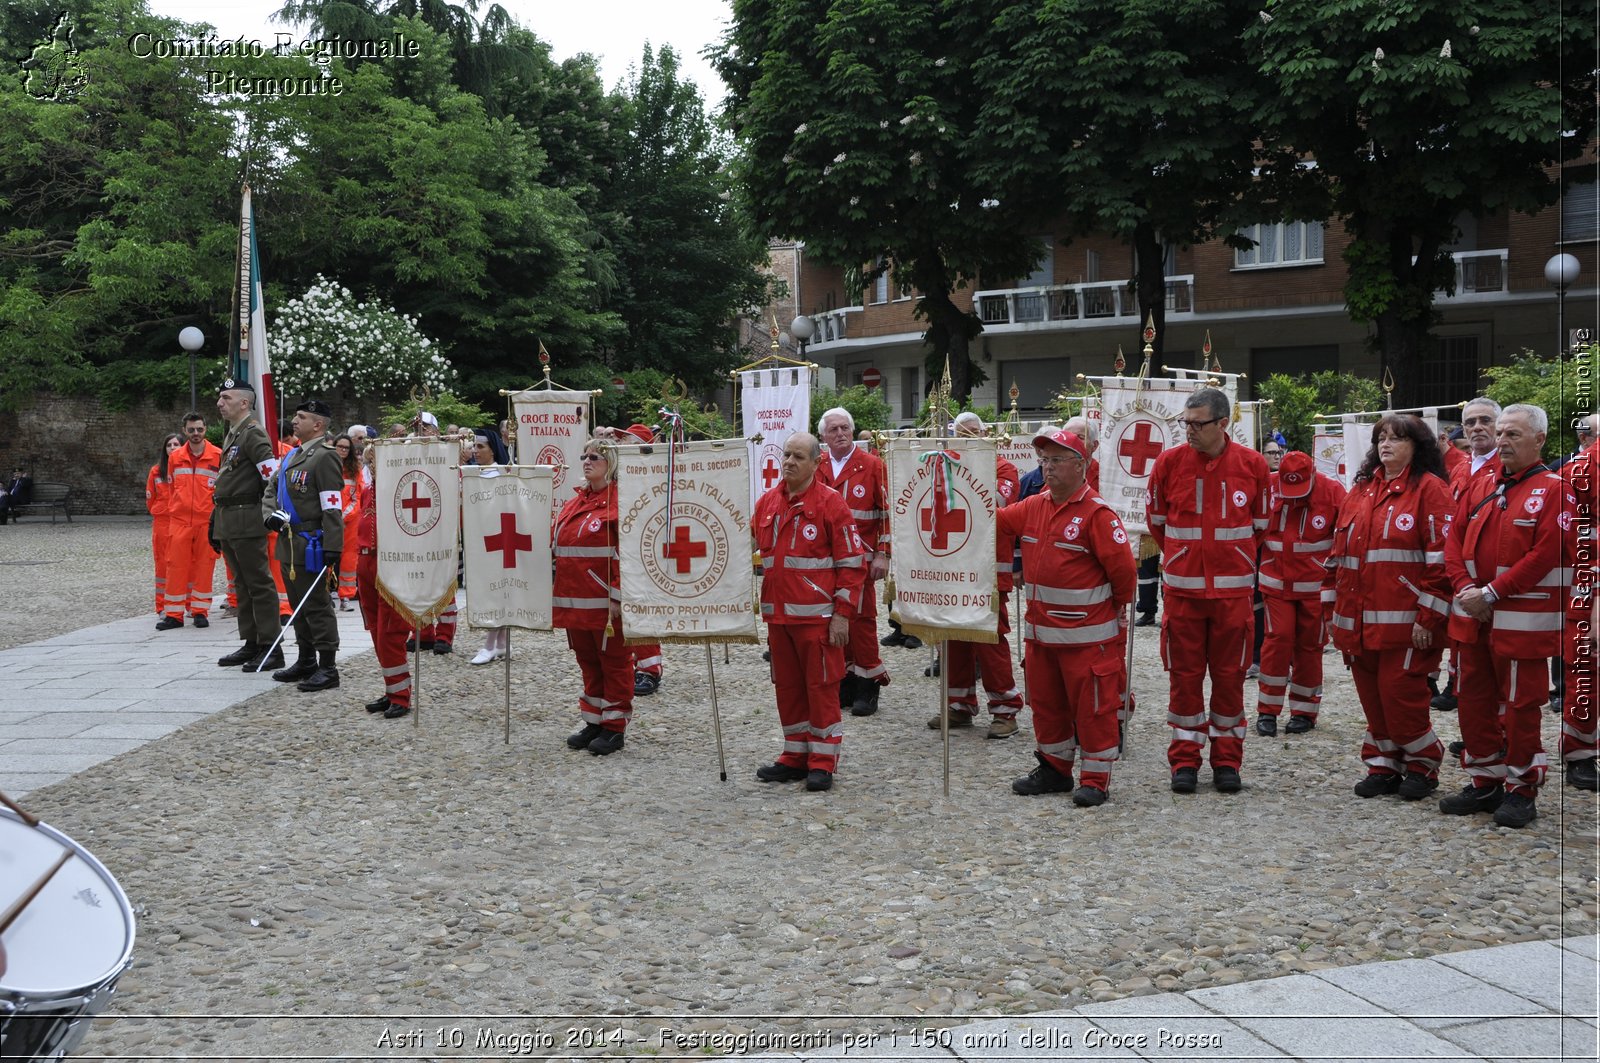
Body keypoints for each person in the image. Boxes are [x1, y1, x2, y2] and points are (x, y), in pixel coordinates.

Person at [1442, 404, 1573, 827]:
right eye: (1499, 434)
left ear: (1539, 440)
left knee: (1521, 707)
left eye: (1512, 435)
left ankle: (1521, 788)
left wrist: (1493, 593)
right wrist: (1464, 588)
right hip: (1473, 616)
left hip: (1519, 621)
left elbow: (1547, 552)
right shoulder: (1481, 482)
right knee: (1473, 700)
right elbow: (1454, 539)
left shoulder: (1555, 488)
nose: (1501, 441)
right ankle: (1485, 782)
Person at [997, 428, 1136, 805]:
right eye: (1044, 460)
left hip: (1087, 641)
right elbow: (994, 521)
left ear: (1081, 465)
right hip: (1042, 639)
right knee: (1046, 706)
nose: (1048, 468)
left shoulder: (1098, 515)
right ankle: (1054, 769)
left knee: (1093, 710)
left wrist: (1113, 618)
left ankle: (1095, 778)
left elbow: (1124, 577)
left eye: (1057, 460)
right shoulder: (1033, 506)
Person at [1145, 387, 1270, 794]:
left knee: (1230, 678)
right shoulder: (1168, 463)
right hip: (1182, 597)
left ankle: (1227, 762)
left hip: (1233, 599)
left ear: (1223, 423)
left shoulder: (1252, 466)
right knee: (1184, 679)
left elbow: (1260, 527)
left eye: (1198, 424)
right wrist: (1183, 560)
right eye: (1185, 423)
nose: (1189, 431)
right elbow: (1158, 523)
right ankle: (1184, 760)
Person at [1326, 416, 1453, 800]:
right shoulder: (1361, 489)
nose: (1386, 445)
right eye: (1381, 438)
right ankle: (1383, 765)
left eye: (1397, 439)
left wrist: (1428, 616)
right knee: (1372, 698)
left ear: (1417, 446)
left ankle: (1422, 764)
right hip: (1359, 622)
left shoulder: (1431, 490)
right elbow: (1339, 557)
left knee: (1401, 697)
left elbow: (1443, 561)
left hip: (1408, 623)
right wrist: (1333, 613)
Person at [752, 431, 866, 792]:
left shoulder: (832, 504)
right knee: (787, 688)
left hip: (817, 619)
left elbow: (851, 564)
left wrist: (843, 614)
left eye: (798, 456)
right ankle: (794, 754)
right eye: (786, 455)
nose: (788, 462)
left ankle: (822, 760)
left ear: (817, 463)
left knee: (821, 689)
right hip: (779, 617)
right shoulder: (768, 502)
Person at [929, 412, 1024, 738]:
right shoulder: (945, 466)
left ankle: (1005, 710)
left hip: (987, 571)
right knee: (952, 635)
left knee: (990, 639)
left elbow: (994, 503)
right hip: (953, 567)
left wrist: (964, 471)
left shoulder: (1003, 467)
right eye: (961, 434)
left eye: (975, 433)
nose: (968, 438)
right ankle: (959, 705)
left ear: (987, 435)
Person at [1254, 451, 1345, 737]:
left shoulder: (1333, 492)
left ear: (1314, 474)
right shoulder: (1267, 486)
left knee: (1310, 646)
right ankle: (1267, 710)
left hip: (1314, 588)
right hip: (1276, 582)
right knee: (1277, 640)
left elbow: (1343, 538)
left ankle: (1304, 711)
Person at [554, 438, 632, 755]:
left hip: (604, 602)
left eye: (595, 456)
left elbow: (626, 553)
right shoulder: (575, 502)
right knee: (587, 661)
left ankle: (614, 727)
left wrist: (617, 594)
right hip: (576, 600)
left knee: (613, 662)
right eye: (584, 456)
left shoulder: (621, 502)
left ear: (610, 462)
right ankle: (594, 720)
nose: (587, 461)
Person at [263, 400, 346, 692]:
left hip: (312, 543)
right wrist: (269, 516)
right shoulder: (293, 455)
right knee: (298, 606)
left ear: (318, 425)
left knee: (317, 605)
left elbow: (332, 505)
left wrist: (333, 547)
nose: (294, 421)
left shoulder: (324, 456)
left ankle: (328, 667)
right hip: (289, 540)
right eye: (296, 416)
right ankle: (306, 659)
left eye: (301, 417)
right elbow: (271, 489)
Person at [815, 407, 891, 717]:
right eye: (833, 429)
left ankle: (868, 682)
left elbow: (887, 512)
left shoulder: (872, 465)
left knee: (861, 622)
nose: (841, 434)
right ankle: (845, 678)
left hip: (861, 559)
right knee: (831, 619)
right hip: (823, 561)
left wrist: (884, 553)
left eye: (845, 428)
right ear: (823, 437)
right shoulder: (816, 466)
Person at [1433, 398, 1504, 713]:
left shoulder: (1506, 465)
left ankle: (1496, 733)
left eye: (1485, 420)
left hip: (1492, 583)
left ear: (1498, 426)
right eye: (1471, 422)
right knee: (1463, 647)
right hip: (1459, 574)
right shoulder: (1460, 467)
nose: (1477, 427)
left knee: (1494, 661)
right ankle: (1472, 719)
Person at [211, 382, 286, 673]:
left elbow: (272, 478)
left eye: (226, 397)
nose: (220, 402)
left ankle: (271, 646)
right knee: (241, 585)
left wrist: (270, 513)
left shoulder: (253, 434)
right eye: (220, 397)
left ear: (244, 403)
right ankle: (252, 642)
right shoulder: (234, 434)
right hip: (229, 518)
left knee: (258, 584)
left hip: (247, 518)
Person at [354, 441, 412, 719]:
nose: (372, 466)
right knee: (375, 629)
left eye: (376, 460)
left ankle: (401, 695)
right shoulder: (368, 491)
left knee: (390, 632)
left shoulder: (399, 492)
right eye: (369, 462)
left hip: (388, 562)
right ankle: (392, 689)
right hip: (365, 561)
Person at [1560, 417, 1599, 790]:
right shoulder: (1582, 469)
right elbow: (1575, 538)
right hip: (1589, 588)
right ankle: (1580, 753)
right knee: (1586, 668)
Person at [159, 413, 222, 630]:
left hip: (206, 522)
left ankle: (200, 611)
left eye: (199, 429)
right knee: (175, 566)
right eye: (191, 430)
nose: (196, 434)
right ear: (184, 431)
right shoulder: (175, 458)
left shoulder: (217, 456)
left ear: (206, 429)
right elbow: (171, 487)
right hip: (180, 521)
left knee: (205, 567)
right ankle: (174, 614)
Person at [467, 427, 515, 666]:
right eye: (474, 446)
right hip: (479, 536)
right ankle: (501, 642)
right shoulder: (472, 473)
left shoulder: (502, 474)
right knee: (491, 589)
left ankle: (489, 644)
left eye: (480, 447)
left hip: (499, 536)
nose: (475, 451)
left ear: (492, 449)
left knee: (497, 590)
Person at [146, 434, 182, 615]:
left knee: (184, 563)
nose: (173, 447)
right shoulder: (156, 471)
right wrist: (161, 512)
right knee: (162, 565)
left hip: (180, 521)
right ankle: (162, 605)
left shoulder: (184, 468)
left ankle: (187, 603)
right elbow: (150, 498)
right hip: (162, 522)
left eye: (176, 444)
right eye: (169, 445)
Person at [332, 434, 360, 611]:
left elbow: (358, 497)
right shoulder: (326, 465)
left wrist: (343, 516)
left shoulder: (354, 469)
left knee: (349, 559)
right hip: (328, 519)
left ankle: (346, 596)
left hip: (350, 522)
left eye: (346, 448)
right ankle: (325, 593)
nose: (343, 450)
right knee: (326, 556)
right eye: (340, 446)